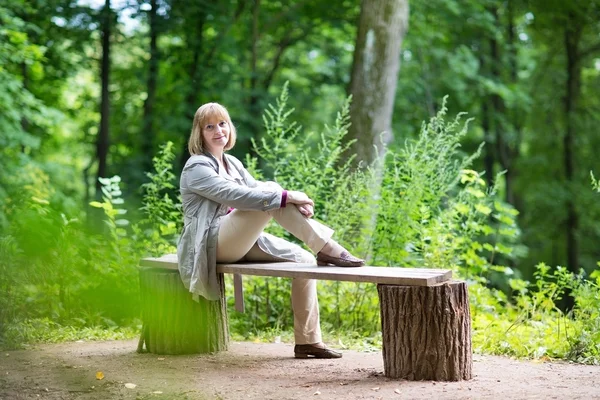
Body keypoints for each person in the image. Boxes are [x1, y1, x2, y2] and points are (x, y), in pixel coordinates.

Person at [177, 102, 364, 359]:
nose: (218, 130)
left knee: (305, 260)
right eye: (209, 126)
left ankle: (308, 341)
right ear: (199, 134)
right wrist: (289, 196)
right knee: (271, 196)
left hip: (238, 239)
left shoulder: (231, 162)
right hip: (210, 243)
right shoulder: (196, 167)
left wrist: (291, 201)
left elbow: (259, 189)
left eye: (222, 123)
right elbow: (239, 196)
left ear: (230, 127)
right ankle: (328, 247)